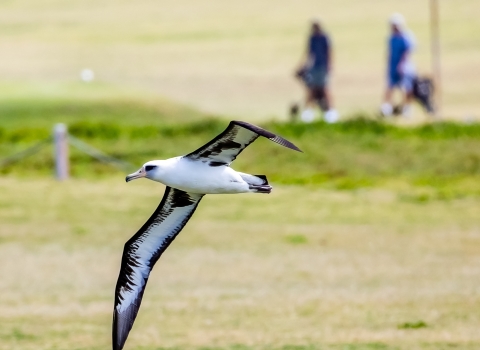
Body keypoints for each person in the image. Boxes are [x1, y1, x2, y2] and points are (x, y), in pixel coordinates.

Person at [298, 19, 338, 123]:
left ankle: (331, 113)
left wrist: (330, 65)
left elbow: (329, 51)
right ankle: (308, 113)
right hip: (314, 67)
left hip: (322, 66)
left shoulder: (324, 37)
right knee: (312, 90)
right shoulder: (312, 38)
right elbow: (309, 52)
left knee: (324, 89)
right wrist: (303, 65)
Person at [381, 13, 417, 117]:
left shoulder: (405, 36)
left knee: (406, 87)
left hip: (405, 67)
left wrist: (401, 65)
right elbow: (390, 52)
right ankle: (387, 108)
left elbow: (407, 51)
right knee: (390, 86)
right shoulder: (391, 37)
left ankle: (407, 108)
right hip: (393, 65)